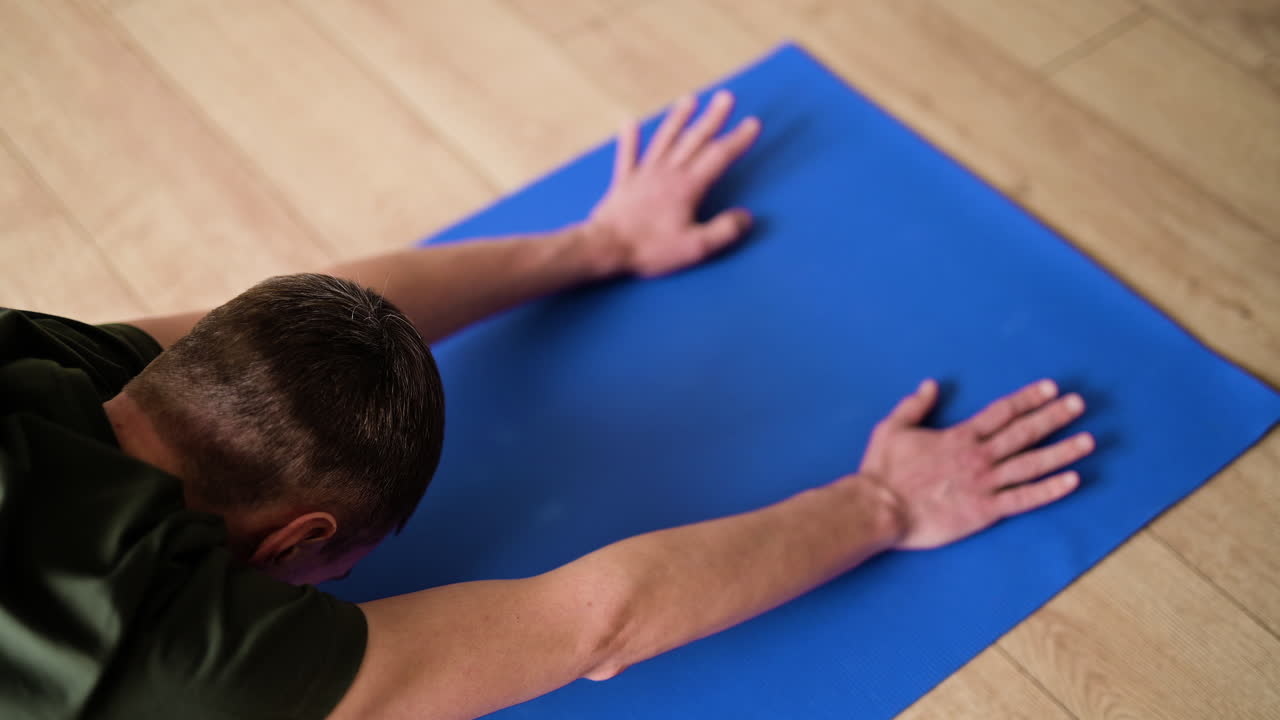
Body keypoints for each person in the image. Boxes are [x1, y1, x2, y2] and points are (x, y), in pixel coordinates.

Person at [0, 91, 1094, 720]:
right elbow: (597, 622)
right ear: (297, 539)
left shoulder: (40, 365)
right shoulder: (187, 656)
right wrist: (883, 505)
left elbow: (310, 317)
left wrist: (599, 242)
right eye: (332, 573)